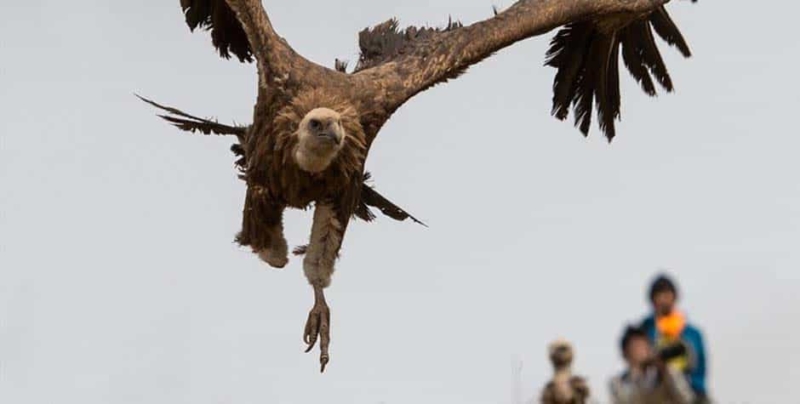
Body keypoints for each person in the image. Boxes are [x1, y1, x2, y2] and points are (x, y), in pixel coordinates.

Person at [639, 274, 710, 403]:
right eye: (658, 296)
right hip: (657, 390)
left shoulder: (692, 333)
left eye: (666, 294)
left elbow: (699, 363)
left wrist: (696, 388)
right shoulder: (645, 331)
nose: (662, 300)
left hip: (690, 389)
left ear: (675, 296)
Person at [609, 325, 696, 404]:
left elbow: (686, 399)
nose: (640, 351)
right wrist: (638, 373)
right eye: (635, 347)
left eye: (642, 346)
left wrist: (665, 371)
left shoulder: (664, 373)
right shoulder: (618, 383)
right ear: (625, 354)